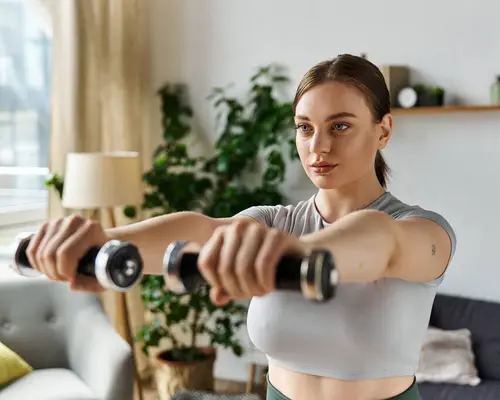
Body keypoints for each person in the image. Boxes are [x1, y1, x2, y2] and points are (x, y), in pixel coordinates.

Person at [26, 53, 456, 400]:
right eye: (304, 129)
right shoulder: (273, 223)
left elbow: (380, 240)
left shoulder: (424, 230)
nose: (319, 146)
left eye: (340, 126)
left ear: (384, 131)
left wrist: (302, 254)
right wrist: (104, 241)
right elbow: (202, 231)